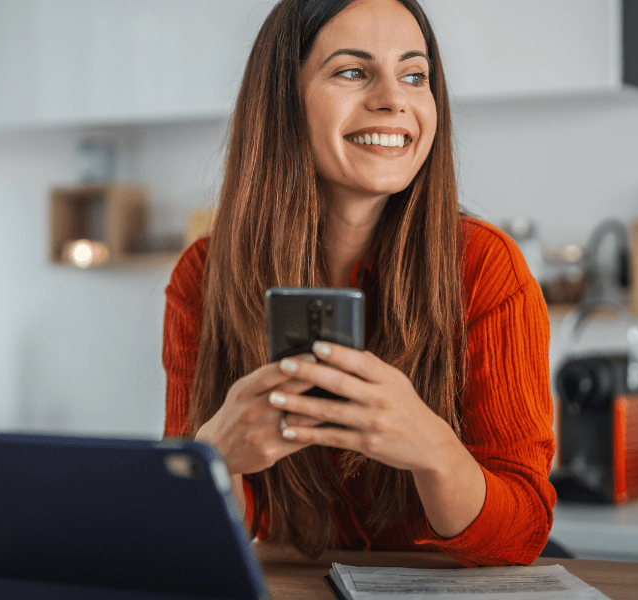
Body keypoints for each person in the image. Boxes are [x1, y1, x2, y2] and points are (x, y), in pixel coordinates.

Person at [163, 0, 554, 567]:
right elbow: (192, 543)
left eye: (414, 76)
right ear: (283, 102)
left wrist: (433, 449)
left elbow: (523, 534)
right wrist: (215, 458)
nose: (394, 98)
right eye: (352, 71)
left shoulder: (486, 267)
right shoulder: (203, 275)